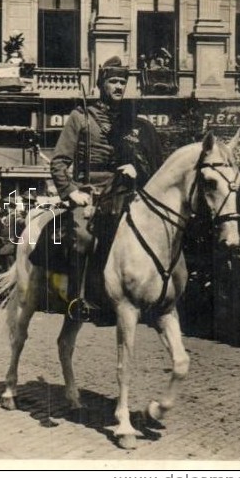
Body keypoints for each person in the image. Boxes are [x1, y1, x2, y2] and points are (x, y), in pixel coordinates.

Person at [48, 56, 164, 317]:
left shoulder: (131, 120)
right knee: (83, 238)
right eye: (113, 81)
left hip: (121, 189)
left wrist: (137, 170)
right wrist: (71, 192)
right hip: (87, 190)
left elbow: (144, 157)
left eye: (123, 82)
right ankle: (77, 298)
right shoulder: (80, 117)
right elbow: (58, 162)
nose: (119, 87)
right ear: (101, 84)